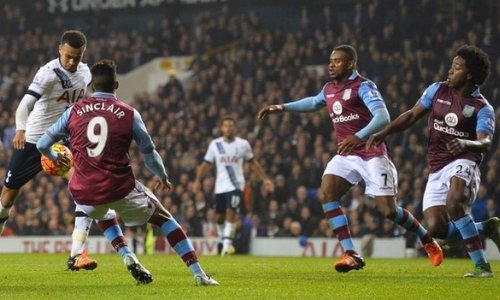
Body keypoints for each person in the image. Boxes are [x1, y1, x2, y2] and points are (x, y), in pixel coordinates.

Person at [258, 44, 443, 272]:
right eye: (330, 61)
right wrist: (282, 107)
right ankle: (350, 253)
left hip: (372, 153)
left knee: (388, 211)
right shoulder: (329, 88)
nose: (331, 65)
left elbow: (383, 117)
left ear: (350, 64)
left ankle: (426, 239)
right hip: (347, 155)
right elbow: (314, 102)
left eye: (337, 61)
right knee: (327, 193)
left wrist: (358, 136)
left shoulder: (363, 86)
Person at [37, 59, 218, 286]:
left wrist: (55, 158)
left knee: (100, 210)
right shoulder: (129, 113)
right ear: (116, 86)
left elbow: (42, 144)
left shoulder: (74, 111)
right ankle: (199, 274)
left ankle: (116, 254)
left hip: (84, 189)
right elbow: (149, 153)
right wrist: (162, 176)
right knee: (165, 219)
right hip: (120, 187)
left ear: (91, 86)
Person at [367, 45, 499, 277]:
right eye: (451, 66)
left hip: (465, 160)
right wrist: (384, 132)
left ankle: (481, 266)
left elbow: (485, 143)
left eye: (456, 68)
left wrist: (466, 144)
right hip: (437, 166)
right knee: (437, 228)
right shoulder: (437, 90)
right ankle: (485, 228)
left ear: (469, 75)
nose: (450, 71)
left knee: (455, 202)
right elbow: (411, 115)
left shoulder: (482, 108)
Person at [0, 30, 104, 271]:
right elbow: (24, 105)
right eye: (68, 56)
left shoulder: (85, 73)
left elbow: (87, 98)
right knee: (7, 195)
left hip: (63, 139)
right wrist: (20, 129)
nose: (71, 62)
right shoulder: (47, 74)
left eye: (76, 58)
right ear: (60, 49)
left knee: (83, 188)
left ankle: (77, 254)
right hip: (34, 140)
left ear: (82, 54)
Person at [193, 117, 274, 256]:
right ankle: (223, 238)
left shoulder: (243, 144)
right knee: (219, 218)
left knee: (231, 213)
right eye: (226, 126)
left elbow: (252, 163)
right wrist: (197, 181)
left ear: (235, 128)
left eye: (231, 126)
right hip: (220, 186)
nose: (228, 128)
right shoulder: (215, 144)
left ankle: (226, 247)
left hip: (236, 185)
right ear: (222, 128)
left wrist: (265, 179)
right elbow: (206, 164)